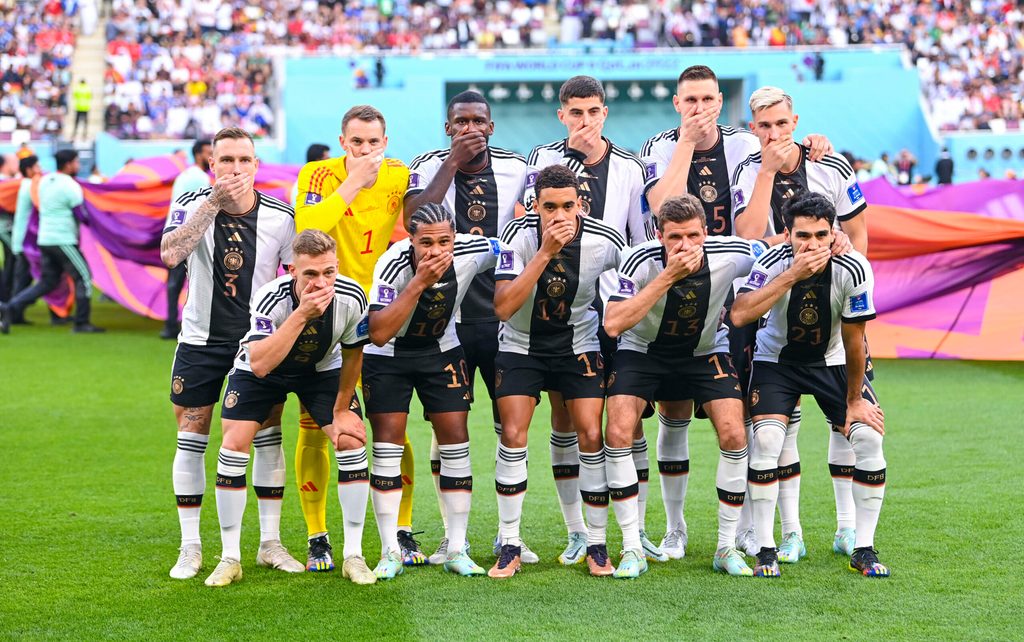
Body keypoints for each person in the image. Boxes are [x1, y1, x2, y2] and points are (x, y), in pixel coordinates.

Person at [641, 67, 834, 559]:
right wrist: (687, 142)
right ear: (676, 103)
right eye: (690, 100)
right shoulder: (659, 147)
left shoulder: (746, 144)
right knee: (674, 409)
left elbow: (775, 172)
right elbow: (662, 208)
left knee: (752, 411)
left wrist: (810, 142)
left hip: (740, 285)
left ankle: (752, 526)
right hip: (681, 284)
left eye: (707, 98)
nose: (699, 107)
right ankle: (675, 527)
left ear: (721, 100)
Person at [731, 86, 867, 559]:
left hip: (832, 303)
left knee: (847, 422)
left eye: (782, 123)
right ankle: (790, 532)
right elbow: (747, 239)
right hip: (771, 305)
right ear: (753, 130)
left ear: (795, 121)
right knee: (776, 426)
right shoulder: (748, 170)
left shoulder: (833, 164)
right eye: (764, 126)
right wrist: (767, 172)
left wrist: (853, 277)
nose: (774, 133)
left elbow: (857, 226)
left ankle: (847, 527)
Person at [159, 127, 300, 580]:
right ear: (212, 165)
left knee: (268, 434)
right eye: (226, 160)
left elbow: (295, 279)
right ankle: (190, 546)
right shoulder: (191, 203)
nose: (235, 169)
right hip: (200, 340)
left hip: (255, 345)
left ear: (257, 166)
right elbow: (169, 255)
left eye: (244, 160)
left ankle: (270, 543)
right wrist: (213, 204)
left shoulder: (281, 216)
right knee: (191, 434)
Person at [526, 75, 655, 564]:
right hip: (560, 307)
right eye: (575, 112)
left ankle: (634, 528)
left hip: (614, 307)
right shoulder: (541, 161)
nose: (584, 121)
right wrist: (572, 162)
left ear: (605, 113)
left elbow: (640, 234)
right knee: (567, 416)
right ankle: (578, 529)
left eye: (593, 111)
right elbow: (525, 219)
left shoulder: (630, 166)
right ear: (562, 115)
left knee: (627, 418)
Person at [403, 90, 535, 565]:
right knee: (447, 429)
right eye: (461, 122)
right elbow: (412, 219)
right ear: (448, 127)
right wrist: (452, 165)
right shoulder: (428, 164)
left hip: (500, 319)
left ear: (492, 127)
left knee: (509, 427)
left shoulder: (518, 168)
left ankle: (508, 535)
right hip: (447, 321)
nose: (470, 128)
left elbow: (537, 222)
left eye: (479, 121)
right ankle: (449, 534)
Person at [603, 194, 764, 578]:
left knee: (733, 433)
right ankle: (632, 546)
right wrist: (667, 276)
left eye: (693, 235)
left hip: (704, 350)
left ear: (707, 233)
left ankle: (725, 547)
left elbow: (775, 251)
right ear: (659, 235)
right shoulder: (639, 261)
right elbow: (613, 323)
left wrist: (836, 241)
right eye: (675, 237)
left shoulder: (732, 253)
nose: (685, 245)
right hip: (642, 351)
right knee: (618, 430)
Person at [731, 192, 889, 579]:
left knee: (868, 437)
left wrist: (854, 400)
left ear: (833, 232)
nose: (813, 244)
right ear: (787, 234)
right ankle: (767, 549)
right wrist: (792, 275)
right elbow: (740, 314)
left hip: (832, 361)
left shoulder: (853, 268)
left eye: (821, 235)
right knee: (767, 441)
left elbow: (855, 339)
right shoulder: (770, 262)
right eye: (803, 236)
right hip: (777, 362)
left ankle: (863, 548)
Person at [203, 230, 373, 587]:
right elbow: (261, 363)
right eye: (310, 274)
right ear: (292, 270)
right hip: (264, 370)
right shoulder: (271, 298)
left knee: (352, 442)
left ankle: (353, 556)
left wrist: (342, 409)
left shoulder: (353, 295)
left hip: (321, 371)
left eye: (328, 272)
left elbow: (355, 353)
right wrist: (302, 314)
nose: (321, 282)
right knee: (233, 445)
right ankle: (230, 557)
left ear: (337, 267)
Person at [293, 105, 421, 570]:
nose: (365, 150)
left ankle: (402, 529)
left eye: (373, 143)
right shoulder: (317, 173)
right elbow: (308, 228)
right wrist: (353, 181)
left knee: (390, 425)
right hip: (323, 312)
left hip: (380, 316)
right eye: (356, 142)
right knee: (317, 424)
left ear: (385, 142)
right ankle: (317, 535)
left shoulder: (400, 175)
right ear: (343, 142)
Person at [489, 165, 625, 579]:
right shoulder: (519, 237)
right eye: (550, 207)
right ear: (535, 206)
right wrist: (545, 252)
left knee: (590, 433)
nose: (559, 215)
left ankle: (595, 543)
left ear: (580, 204)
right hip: (520, 345)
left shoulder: (605, 240)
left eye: (568, 205)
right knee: (513, 434)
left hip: (577, 346)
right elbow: (503, 307)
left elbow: (636, 276)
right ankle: (509, 542)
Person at [363, 203, 497, 580]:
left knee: (456, 440)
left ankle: (456, 547)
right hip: (388, 355)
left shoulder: (473, 251)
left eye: (444, 241)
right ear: (411, 240)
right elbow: (379, 331)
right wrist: (419, 282)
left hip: (441, 349)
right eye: (426, 243)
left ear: (456, 238)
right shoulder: (392, 265)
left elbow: (512, 250)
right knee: (388, 445)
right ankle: (391, 550)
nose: (436, 251)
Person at [1, 150, 103, 334]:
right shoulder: (70, 186)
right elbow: (80, 214)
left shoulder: (45, 183)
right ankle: (82, 323)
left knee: (47, 282)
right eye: (77, 162)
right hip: (63, 239)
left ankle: (10, 307)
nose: (78, 166)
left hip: (45, 239)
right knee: (84, 276)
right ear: (69, 164)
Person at [162, 139, 212, 340]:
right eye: (209, 153)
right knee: (199, 279)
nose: (212, 158)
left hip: (174, 232)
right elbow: (204, 210)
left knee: (174, 282)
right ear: (199, 154)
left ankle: (170, 323)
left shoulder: (185, 175)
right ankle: (194, 324)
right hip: (189, 235)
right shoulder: (200, 178)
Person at [7, 156, 41, 325]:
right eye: (37, 166)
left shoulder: (25, 185)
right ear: (28, 170)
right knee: (22, 279)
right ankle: (12, 313)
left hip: (22, 240)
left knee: (23, 278)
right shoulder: (30, 186)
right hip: (24, 242)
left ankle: (15, 314)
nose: (39, 169)